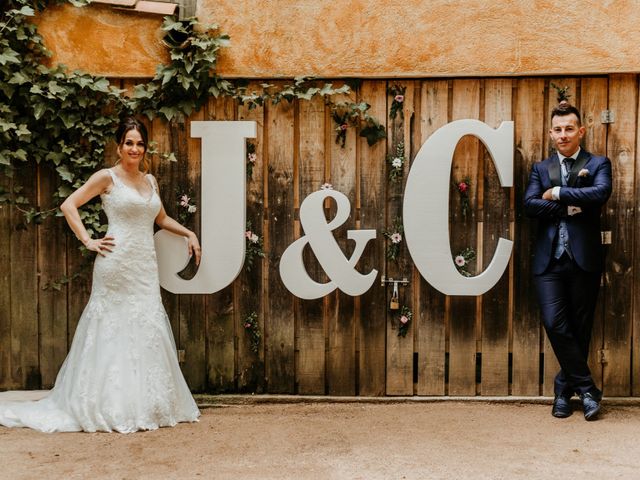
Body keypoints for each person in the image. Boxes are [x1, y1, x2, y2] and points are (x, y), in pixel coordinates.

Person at [0, 117, 201, 433]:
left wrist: (189, 232)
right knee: (112, 327)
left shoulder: (150, 181)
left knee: (146, 325)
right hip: (115, 263)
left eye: (139, 143)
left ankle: (147, 404)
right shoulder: (107, 177)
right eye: (129, 143)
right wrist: (88, 239)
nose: (134, 148)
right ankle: (109, 403)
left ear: (144, 148)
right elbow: (70, 205)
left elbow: (160, 218)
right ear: (119, 146)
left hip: (144, 267)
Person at [524, 101, 612, 420]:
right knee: (555, 324)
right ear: (551, 133)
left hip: (584, 259)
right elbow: (530, 205)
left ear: (581, 131)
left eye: (569, 129)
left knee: (580, 329)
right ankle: (588, 390)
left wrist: (557, 193)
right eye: (558, 130)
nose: (563, 135)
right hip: (549, 262)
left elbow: (599, 194)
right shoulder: (539, 169)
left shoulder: (598, 164)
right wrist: (571, 206)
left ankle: (563, 392)